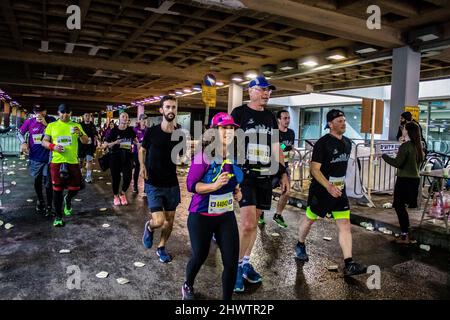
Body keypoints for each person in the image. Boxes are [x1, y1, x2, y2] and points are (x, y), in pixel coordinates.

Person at [230, 76, 289, 292]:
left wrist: (284, 174)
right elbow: (227, 140)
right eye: (262, 89)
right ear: (251, 91)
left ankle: (246, 263)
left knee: (254, 222)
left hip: (265, 177)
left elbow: (276, 147)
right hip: (245, 176)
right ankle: (235, 267)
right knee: (247, 224)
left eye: (268, 90)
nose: (266, 93)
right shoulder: (239, 113)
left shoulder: (270, 117)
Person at [295, 109, 367, 277]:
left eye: (344, 120)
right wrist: (328, 186)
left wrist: (341, 186)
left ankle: (349, 263)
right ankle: (300, 244)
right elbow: (314, 169)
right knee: (309, 220)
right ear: (330, 124)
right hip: (321, 190)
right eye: (340, 121)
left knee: (344, 224)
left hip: (339, 190)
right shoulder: (322, 143)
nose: (344, 124)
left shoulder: (348, 143)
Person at [182, 112, 243, 300]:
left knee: (232, 263)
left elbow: (235, 183)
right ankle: (187, 285)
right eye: (224, 128)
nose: (229, 131)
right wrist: (214, 186)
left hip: (225, 215)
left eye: (232, 128)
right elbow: (191, 185)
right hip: (201, 215)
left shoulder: (234, 156)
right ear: (215, 131)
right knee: (200, 256)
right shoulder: (204, 156)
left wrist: (237, 192)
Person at [140, 96, 186, 263]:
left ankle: (161, 247)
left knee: (170, 221)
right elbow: (142, 150)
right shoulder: (152, 132)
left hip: (171, 183)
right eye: (167, 107)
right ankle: (149, 227)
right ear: (161, 110)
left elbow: (182, 157)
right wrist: (142, 167)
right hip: (153, 182)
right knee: (159, 221)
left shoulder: (180, 134)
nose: (171, 110)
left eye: (174, 107)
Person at [42, 104, 89, 227]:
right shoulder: (52, 126)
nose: (65, 114)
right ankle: (58, 217)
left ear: (71, 113)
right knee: (57, 191)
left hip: (72, 161)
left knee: (76, 188)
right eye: (62, 112)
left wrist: (79, 133)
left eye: (67, 112)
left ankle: (67, 199)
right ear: (58, 112)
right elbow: (44, 142)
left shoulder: (76, 125)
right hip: (56, 162)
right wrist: (54, 147)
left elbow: (86, 140)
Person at [383, 122, 424, 244]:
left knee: (399, 206)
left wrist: (383, 156)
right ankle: (406, 233)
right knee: (403, 207)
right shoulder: (418, 146)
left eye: (404, 129)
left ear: (408, 131)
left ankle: (405, 235)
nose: (402, 130)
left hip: (404, 180)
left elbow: (397, 163)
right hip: (414, 180)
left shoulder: (406, 146)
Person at [259, 110, 295, 228]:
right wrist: (282, 149)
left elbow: (290, 148)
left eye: (288, 118)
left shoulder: (291, 133)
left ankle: (278, 215)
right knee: (266, 191)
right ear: (278, 120)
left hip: (284, 167)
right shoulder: (273, 133)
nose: (287, 120)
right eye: (285, 118)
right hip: (272, 166)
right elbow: (274, 149)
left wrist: (291, 154)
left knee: (287, 191)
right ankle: (261, 212)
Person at [17, 104, 56, 216]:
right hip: (35, 157)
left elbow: (57, 134)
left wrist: (45, 124)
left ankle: (49, 206)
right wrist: (23, 142)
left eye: (41, 111)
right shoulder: (29, 121)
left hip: (49, 157)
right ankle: (40, 201)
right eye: (36, 112)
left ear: (45, 111)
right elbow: (19, 133)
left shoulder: (52, 120)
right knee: (37, 181)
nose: (39, 114)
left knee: (48, 183)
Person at [103, 112, 137, 206]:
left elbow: (135, 141)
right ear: (119, 119)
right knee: (116, 178)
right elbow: (105, 145)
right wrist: (115, 142)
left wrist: (138, 145)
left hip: (127, 156)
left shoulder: (130, 130)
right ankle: (115, 196)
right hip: (115, 157)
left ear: (128, 119)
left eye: (126, 116)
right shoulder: (113, 130)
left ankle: (122, 193)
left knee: (128, 177)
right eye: (123, 116)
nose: (125, 118)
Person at [78, 113, 99, 184]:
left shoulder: (93, 125)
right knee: (80, 161)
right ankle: (79, 174)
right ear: (83, 117)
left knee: (89, 160)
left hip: (90, 146)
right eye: (86, 116)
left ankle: (88, 177)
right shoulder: (80, 125)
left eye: (89, 116)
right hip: (81, 146)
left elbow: (96, 134)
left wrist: (97, 138)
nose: (87, 117)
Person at [133, 114, 148, 194]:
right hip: (136, 152)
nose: (144, 121)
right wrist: (137, 143)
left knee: (146, 168)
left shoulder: (148, 130)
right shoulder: (135, 129)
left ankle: (146, 187)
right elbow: (132, 139)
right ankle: (135, 186)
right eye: (143, 120)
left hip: (146, 153)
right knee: (137, 168)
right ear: (140, 120)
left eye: (145, 120)